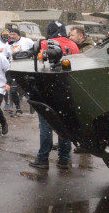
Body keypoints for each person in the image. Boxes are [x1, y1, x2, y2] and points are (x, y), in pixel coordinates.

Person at [27, 22, 77, 170]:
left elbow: (32, 65)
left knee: (46, 127)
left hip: (47, 92)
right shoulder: (73, 46)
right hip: (68, 92)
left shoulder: (44, 44)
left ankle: (43, 159)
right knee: (65, 127)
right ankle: (64, 159)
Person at [4, 28, 34, 116]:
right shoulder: (8, 44)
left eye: (14, 34)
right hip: (13, 69)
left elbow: (34, 50)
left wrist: (23, 52)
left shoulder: (27, 41)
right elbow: (4, 57)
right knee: (13, 90)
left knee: (26, 89)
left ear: (18, 34)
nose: (12, 36)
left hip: (25, 69)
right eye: (11, 35)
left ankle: (32, 104)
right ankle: (18, 108)